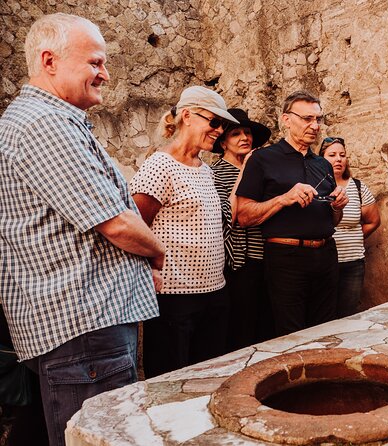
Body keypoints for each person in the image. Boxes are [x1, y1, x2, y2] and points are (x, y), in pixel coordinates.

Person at [0, 13, 165, 446]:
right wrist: (157, 252)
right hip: (84, 328)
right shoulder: (44, 124)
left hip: (81, 329)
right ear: (49, 60)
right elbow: (116, 223)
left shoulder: (53, 119)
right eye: (95, 62)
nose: (105, 75)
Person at [130, 86, 237, 378]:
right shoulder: (160, 165)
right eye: (214, 122)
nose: (219, 131)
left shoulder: (205, 169)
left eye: (223, 125)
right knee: (170, 379)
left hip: (214, 293)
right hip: (175, 297)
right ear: (187, 116)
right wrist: (151, 270)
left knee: (208, 378)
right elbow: (136, 226)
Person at [235, 90, 349, 336]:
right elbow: (243, 215)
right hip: (285, 258)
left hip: (327, 255)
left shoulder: (323, 164)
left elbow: (334, 220)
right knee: (291, 334)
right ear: (286, 119)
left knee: (326, 329)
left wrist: (337, 207)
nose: (315, 126)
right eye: (307, 119)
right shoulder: (262, 159)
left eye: (318, 119)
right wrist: (284, 199)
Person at [211, 108, 275, 350]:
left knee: (266, 326)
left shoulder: (262, 171)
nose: (244, 138)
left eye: (247, 133)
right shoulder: (216, 173)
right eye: (236, 133)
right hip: (238, 261)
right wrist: (246, 173)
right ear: (223, 142)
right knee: (242, 327)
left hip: (266, 255)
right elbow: (230, 216)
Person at [319, 137, 381, 317]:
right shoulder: (318, 186)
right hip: (324, 262)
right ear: (321, 158)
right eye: (332, 155)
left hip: (353, 263)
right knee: (323, 314)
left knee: (347, 313)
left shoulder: (358, 187)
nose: (338, 159)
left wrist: (354, 239)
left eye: (342, 155)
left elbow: (373, 221)